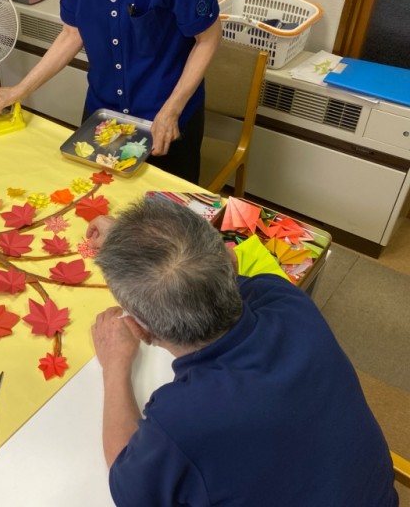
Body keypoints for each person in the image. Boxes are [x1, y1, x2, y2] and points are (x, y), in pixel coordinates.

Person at [89, 199, 398, 506]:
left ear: (141, 331)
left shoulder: (181, 420)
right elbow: (186, 273)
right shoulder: (284, 299)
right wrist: (128, 241)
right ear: (232, 262)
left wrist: (115, 364)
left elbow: (128, 487)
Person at [0, 0, 221, 183]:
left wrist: (171, 110)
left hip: (165, 114)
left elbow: (208, 38)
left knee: (164, 218)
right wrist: (19, 90)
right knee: (95, 205)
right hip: (104, 112)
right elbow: (72, 33)